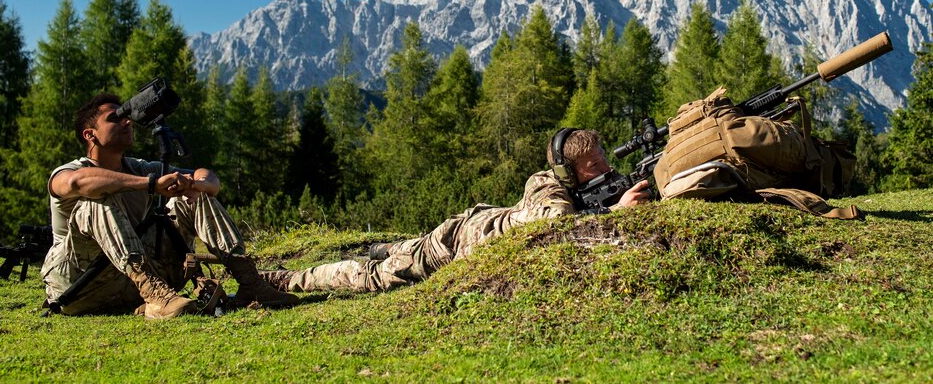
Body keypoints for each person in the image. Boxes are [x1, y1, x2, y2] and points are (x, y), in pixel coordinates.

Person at [261, 128, 650, 295]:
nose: (606, 170)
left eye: (603, 161)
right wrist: (616, 213)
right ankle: (284, 279)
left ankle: (385, 245)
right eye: (595, 166)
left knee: (399, 249)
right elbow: (555, 230)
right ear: (566, 171)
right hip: (452, 246)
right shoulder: (544, 185)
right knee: (370, 277)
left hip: (470, 227)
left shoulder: (592, 185)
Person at [41, 93, 298, 319]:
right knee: (95, 200)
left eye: (126, 116)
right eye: (114, 118)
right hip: (77, 286)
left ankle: (250, 283)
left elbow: (208, 178)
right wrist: (150, 184)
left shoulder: (139, 167)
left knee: (192, 196)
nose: (127, 121)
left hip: (125, 285)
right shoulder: (70, 171)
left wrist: (194, 184)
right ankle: (155, 295)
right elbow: (77, 183)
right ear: (90, 135)